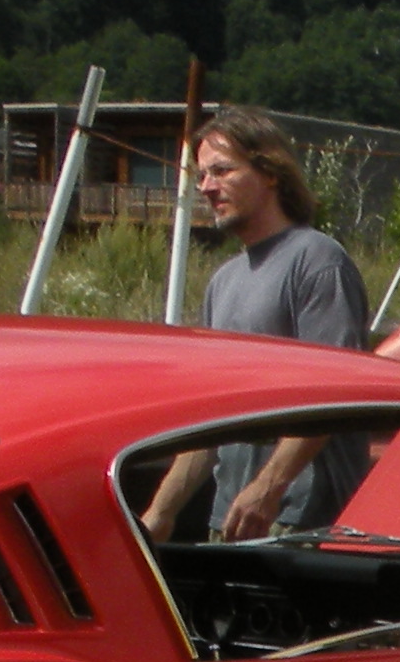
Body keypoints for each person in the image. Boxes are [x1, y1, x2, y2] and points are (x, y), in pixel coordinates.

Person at [142, 108, 374, 542]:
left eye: (222, 171)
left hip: (302, 525)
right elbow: (210, 422)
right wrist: (159, 513)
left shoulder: (317, 261)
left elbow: (335, 394)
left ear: (270, 173)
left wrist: (267, 490)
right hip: (229, 524)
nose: (207, 187)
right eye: (203, 175)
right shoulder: (222, 282)